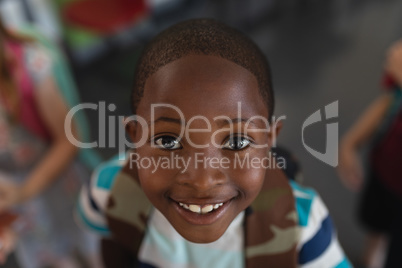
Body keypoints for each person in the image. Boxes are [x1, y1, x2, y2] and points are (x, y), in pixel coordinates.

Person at [77, 19, 352, 268]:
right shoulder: (108, 191)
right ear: (135, 136)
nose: (202, 181)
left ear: (269, 140)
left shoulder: (304, 228)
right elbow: (110, 249)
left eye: (237, 141)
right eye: (168, 141)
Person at [0, 16, 100, 267]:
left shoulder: (31, 64)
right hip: (20, 209)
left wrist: (24, 191)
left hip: (60, 186)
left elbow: (70, 139)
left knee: (96, 250)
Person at [338, 40, 402, 268]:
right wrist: (351, 141)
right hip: (385, 170)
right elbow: (391, 99)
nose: (394, 50)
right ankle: (370, 261)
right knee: (377, 224)